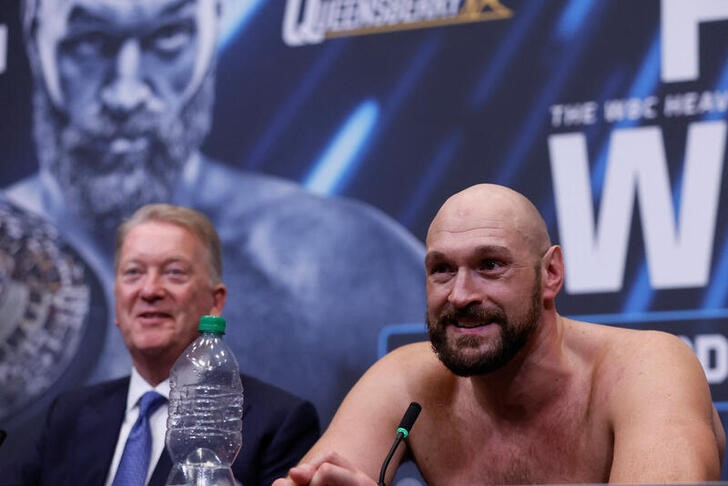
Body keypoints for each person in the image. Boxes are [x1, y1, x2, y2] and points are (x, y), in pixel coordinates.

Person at [1, 0, 425, 453]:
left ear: (212, 30)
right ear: (33, 38)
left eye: (167, 38)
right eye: (89, 42)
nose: (125, 95)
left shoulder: (348, 264)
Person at [273, 184, 726, 485]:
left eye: (490, 265)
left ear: (550, 273)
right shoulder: (407, 381)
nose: (461, 294)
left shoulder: (647, 369)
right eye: (442, 270)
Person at [7, 203, 320, 486]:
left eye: (174, 272)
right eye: (134, 272)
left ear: (215, 302)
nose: (150, 290)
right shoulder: (70, 413)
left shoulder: (278, 422)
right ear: (117, 302)